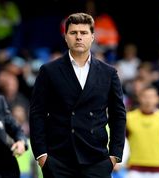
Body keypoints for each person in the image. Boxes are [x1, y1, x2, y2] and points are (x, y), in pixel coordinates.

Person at [29, 12, 126, 178]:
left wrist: (114, 155)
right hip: (58, 160)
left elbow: (118, 115)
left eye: (84, 33)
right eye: (73, 33)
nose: (78, 37)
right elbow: (37, 113)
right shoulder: (48, 71)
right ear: (65, 37)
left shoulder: (109, 73)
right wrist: (41, 155)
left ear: (93, 37)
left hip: (97, 160)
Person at [126, 86, 159, 178]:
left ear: (157, 99)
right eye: (145, 96)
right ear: (139, 98)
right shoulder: (129, 118)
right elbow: (121, 142)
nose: (148, 100)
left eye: (151, 97)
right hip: (134, 169)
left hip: (158, 170)